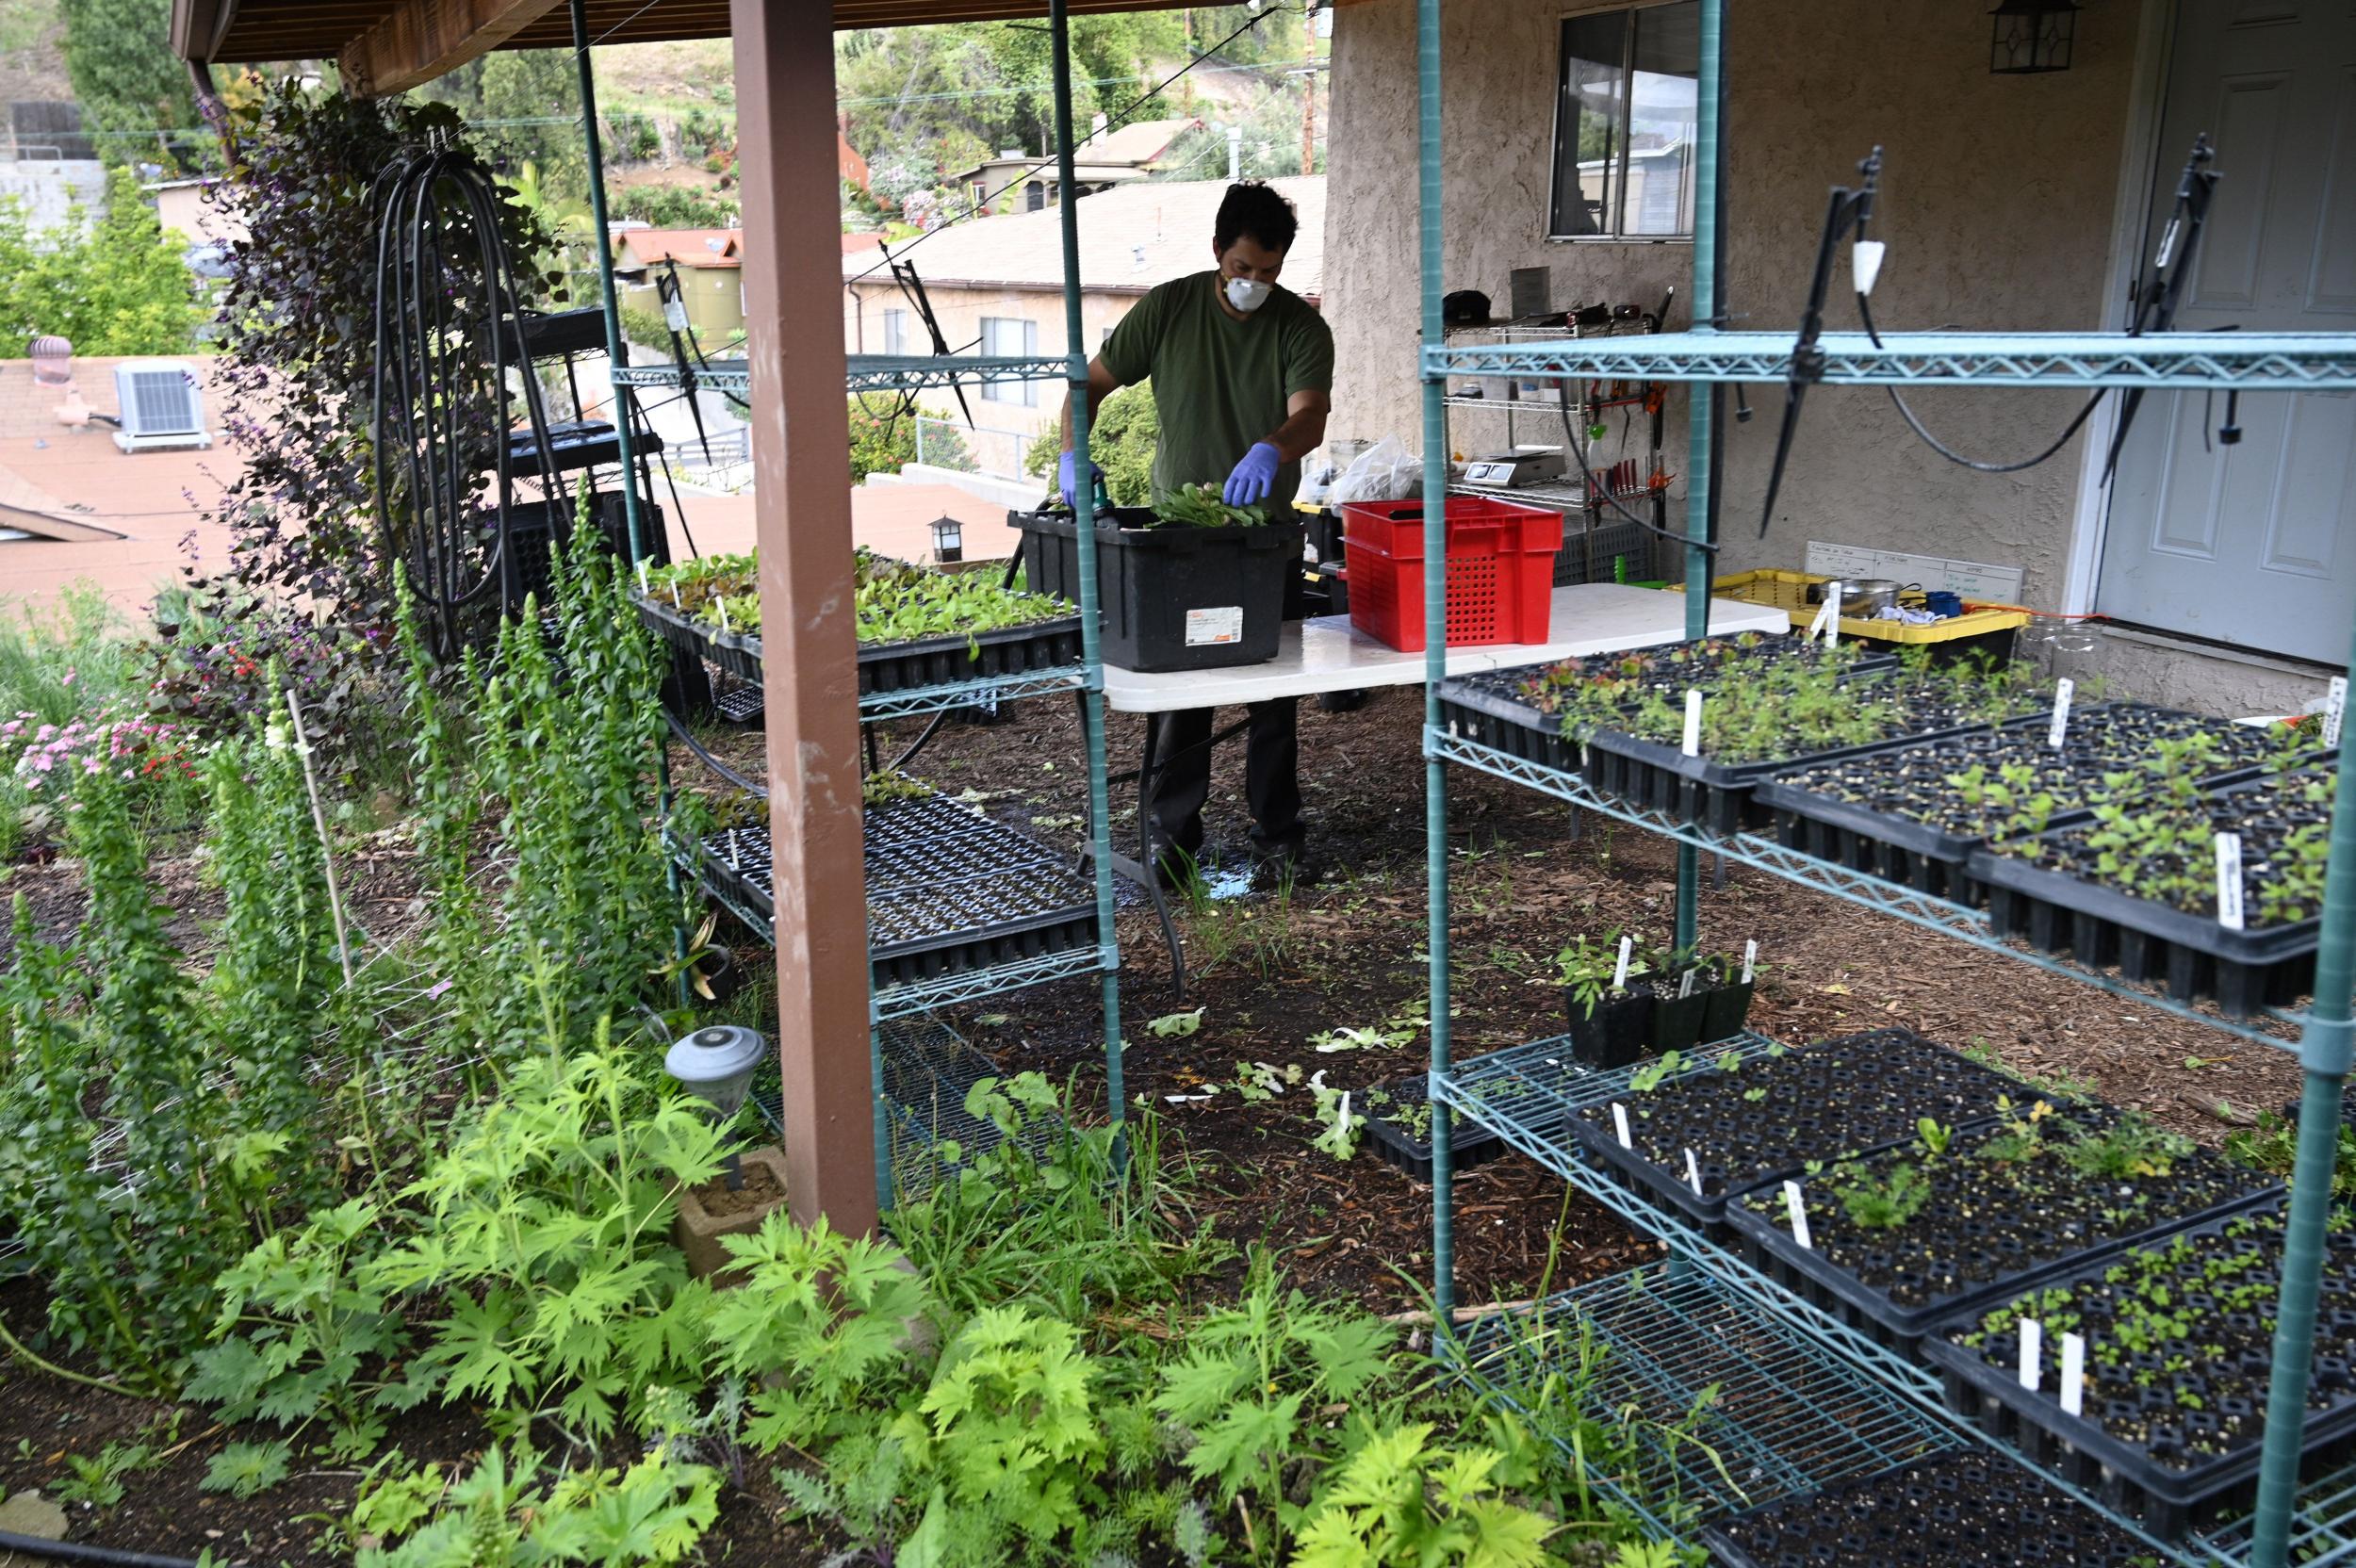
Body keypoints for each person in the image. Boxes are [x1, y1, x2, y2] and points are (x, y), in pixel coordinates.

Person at [1057, 180, 1334, 887]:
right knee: (1183, 697)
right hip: (1180, 536)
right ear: (1218, 252)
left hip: (1263, 536)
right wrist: (1072, 452)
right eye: (1242, 269)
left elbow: (1310, 416)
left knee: (1274, 696)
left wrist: (1273, 446)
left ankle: (1279, 839)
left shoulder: (1300, 328)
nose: (1253, 284)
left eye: (1268, 273)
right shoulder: (1170, 306)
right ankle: (1171, 844)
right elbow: (1088, 383)